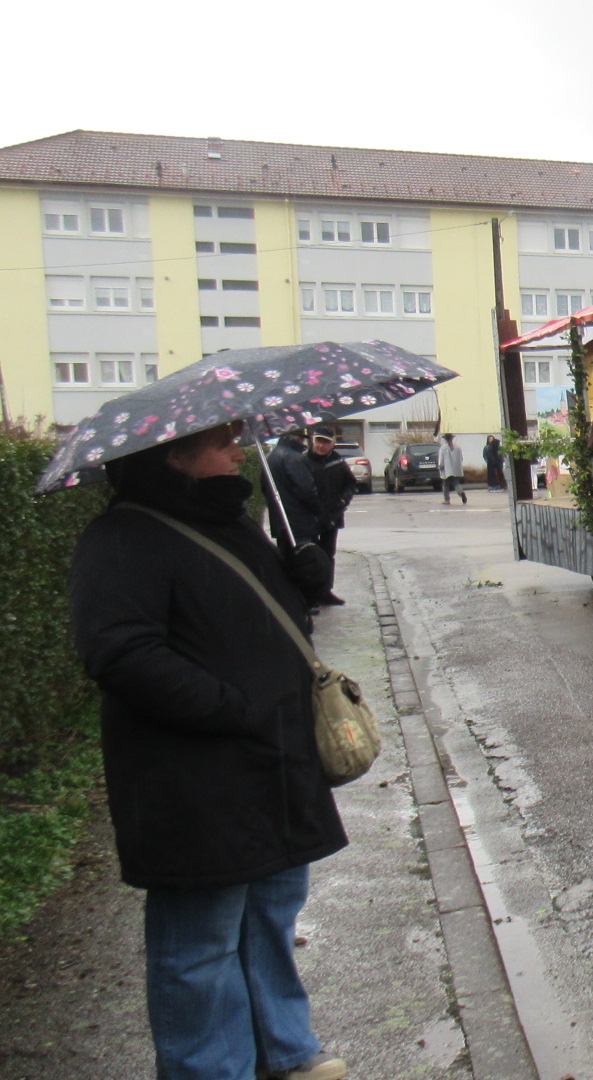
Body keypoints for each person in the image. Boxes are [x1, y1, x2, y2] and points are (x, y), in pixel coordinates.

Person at [70, 421, 349, 1080]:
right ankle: (208, 1069)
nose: (235, 452)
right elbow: (120, 651)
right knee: (199, 945)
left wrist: (299, 578)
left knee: (269, 919)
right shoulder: (122, 538)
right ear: (172, 456)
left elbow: (244, 613)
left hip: (271, 762)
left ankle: (284, 1052)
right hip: (194, 777)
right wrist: (228, 707)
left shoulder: (231, 521)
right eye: (222, 444)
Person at [304, 428, 353, 606]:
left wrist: (343, 499)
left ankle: (326, 591)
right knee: (309, 556)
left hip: (332, 515)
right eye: (318, 441)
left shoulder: (338, 462)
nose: (320, 445)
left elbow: (350, 484)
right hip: (309, 516)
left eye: (325, 442)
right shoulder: (303, 461)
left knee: (328, 555)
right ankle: (310, 593)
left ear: (332, 444)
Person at [266, 430, 322, 551]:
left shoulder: (271, 457)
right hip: (299, 523)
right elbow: (307, 491)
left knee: (287, 560)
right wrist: (319, 511)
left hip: (280, 522)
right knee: (305, 561)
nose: (304, 443)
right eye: (303, 439)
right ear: (296, 439)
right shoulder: (294, 458)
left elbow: (265, 489)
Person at [438, 432, 466, 504]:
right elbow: (461, 459)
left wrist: (440, 466)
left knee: (445, 484)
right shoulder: (458, 448)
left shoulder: (443, 448)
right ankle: (461, 492)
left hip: (447, 470)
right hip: (456, 469)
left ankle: (447, 499)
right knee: (456, 483)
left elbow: (441, 460)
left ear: (445, 440)